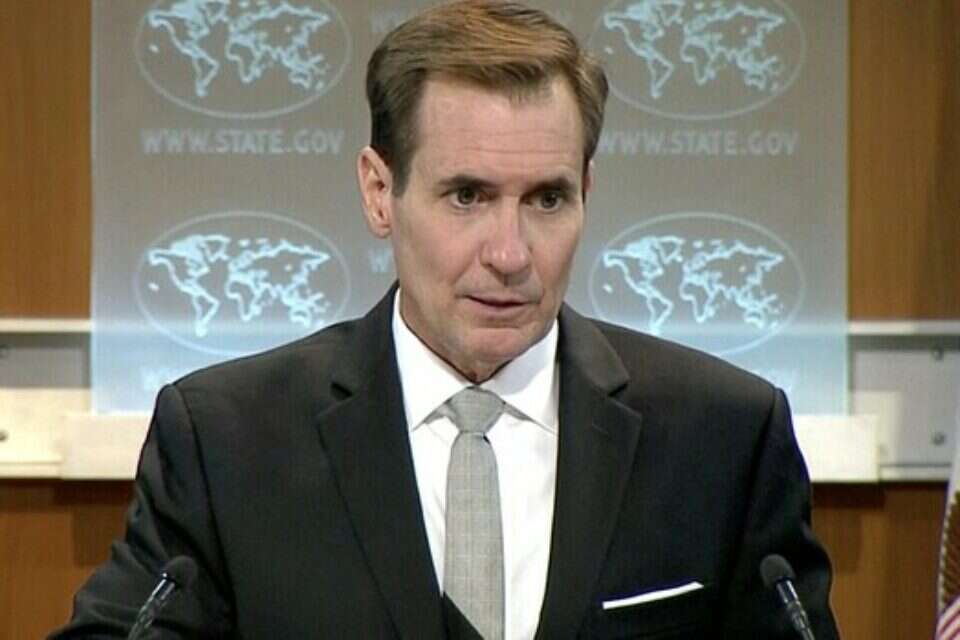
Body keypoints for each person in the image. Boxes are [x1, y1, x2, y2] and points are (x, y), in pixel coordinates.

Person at [53, 1, 839, 638]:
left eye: (548, 199)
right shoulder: (228, 441)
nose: (510, 253)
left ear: (587, 194)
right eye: (467, 196)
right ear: (379, 193)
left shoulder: (723, 437)